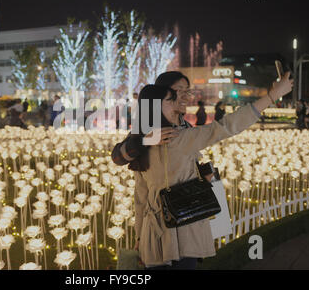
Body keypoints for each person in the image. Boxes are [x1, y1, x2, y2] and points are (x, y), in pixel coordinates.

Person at [124, 72, 293, 270]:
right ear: (156, 107)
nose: (179, 101)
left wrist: (139, 237)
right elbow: (227, 126)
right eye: (171, 99)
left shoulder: (142, 143)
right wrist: (272, 96)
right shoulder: (180, 138)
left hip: (154, 236)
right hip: (184, 229)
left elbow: (141, 197)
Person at [111, 72, 194, 166]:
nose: (186, 97)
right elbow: (117, 158)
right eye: (179, 91)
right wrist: (145, 141)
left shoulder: (187, 127)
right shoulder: (149, 127)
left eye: (187, 91)